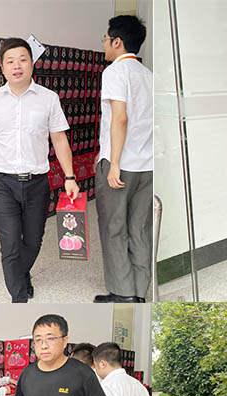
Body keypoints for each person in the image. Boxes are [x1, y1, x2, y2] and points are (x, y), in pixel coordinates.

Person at [0, 37, 80, 303]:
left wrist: (70, 176)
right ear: (2, 67)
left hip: (37, 183)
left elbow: (59, 139)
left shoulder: (48, 99)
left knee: (34, 241)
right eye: (10, 61)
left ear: (32, 63)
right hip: (2, 182)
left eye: (23, 60)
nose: (17, 66)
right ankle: (19, 298)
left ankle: (22, 274)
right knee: (10, 243)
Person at [93, 16, 153, 304]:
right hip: (147, 164)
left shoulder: (115, 72)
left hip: (121, 163)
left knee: (114, 227)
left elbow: (120, 118)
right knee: (139, 228)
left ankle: (122, 292)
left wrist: (113, 163)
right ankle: (139, 291)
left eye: (106, 39)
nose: (104, 44)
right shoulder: (148, 75)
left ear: (117, 42)